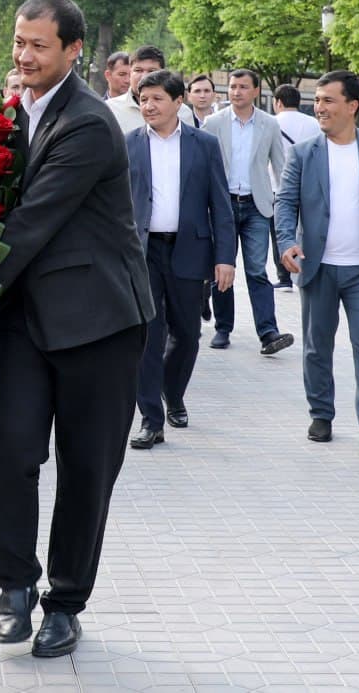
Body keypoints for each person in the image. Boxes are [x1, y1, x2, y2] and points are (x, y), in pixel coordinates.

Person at [0, 0, 153, 658]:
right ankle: (15, 586)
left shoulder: (88, 124)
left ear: (74, 51)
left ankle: (66, 602)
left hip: (100, 322)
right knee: (10, 453)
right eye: (19, 42)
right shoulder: (10, 110)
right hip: (28, 317)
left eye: (39, 46)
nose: (23, 57)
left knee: (86, 470)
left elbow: (31, 222)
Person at [276, 70, 359, 449]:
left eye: (328, 100)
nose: (319, 107)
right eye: (317, 100)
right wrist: (287, 242)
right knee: (318, 345)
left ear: (352, 106)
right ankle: (321, 415)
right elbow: (285, 202)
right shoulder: (304, 152)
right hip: (317, 267)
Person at [124, 70, 236, 449]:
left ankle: (173, 393)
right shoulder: (130, 145)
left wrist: (225, 257)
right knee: (148, 336)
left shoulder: (203, 145)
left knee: (186, 334)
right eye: (143, 99)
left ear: (178, 101)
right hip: (144, 252)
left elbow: (220, 204)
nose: (148, 106)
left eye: (156, 98)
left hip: (190, 249)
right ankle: (151, 419)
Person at [201, 69, 294, 354]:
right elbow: (202, 165)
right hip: (222, 204)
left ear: (256, 91)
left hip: (256, 205)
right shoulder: (213, 123)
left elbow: (280, 165)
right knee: (222, 269)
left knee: (256, 269)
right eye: (232, 87)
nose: (237, 92)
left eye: (243, 87)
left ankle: (268, 332)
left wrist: (289, 203)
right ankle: (223, 328)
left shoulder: (268, 124)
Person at [271, 85, 322, 289]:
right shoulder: (314, 123)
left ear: (278, 102)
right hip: (308, 184)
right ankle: (307, 269)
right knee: (307, 229)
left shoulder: (271, 123)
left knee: (280, 230)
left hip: (278, 184)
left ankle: (284, 276)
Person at [106, 46, 196, 133]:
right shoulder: (110, 109)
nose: (144, 76)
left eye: (151, 71)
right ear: (130, 72)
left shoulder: (182, 112)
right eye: (138, 70)